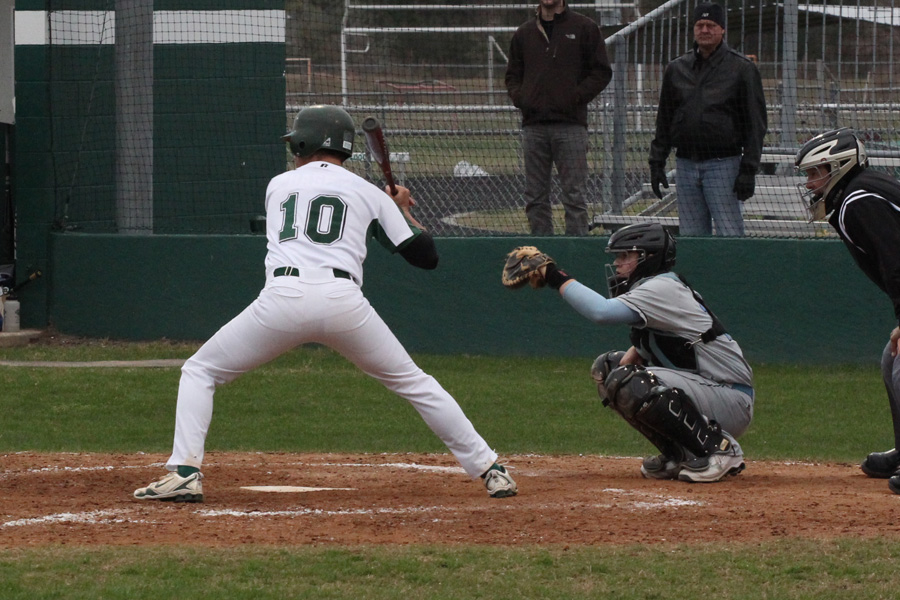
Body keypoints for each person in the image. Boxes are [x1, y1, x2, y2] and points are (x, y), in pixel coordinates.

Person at [134, 105, 517, 502]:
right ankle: (492, 469)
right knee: (414, 382)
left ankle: (185, 472)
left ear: (304, 142)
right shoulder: (368, 193)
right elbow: (424, 257)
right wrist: (400, 210)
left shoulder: (278, 184)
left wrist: (386, 208)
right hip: (343, 303)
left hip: (283, 300)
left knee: (201, 370)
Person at [527, 222, 754, 481]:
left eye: (625, 256)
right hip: (707, 391)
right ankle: (680, 453)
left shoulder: (661, 287)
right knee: (610, 368)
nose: (618, 263)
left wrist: (555, 276)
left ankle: (719, 449)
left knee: (631, 380)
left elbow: (600, 311)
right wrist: (618, 379)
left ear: (648, 258)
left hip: (730, 397)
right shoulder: (658, 288)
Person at [794, 128, 900, 495]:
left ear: (839, 167)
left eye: (814, 173)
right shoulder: (855, 194)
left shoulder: (859, 201)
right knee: (891, 359)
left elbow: (897, 263)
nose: (809, 184)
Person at [648, 2, 767, 237]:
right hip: (685, 164)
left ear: (722, 29)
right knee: (692, 237)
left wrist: (748, 170)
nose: (704, 30)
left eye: (710, 25)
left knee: (729, 233)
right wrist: (657, 161)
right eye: (699, 25)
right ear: (693, 29)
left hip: (724, 165)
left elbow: (755, 124)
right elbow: (665, 119)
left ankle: (731, 275)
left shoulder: (741, 69)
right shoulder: (677, 69)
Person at [505, 0, 612, 236]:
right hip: (534, 128)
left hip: (571, 127)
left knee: (574, 197)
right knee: (535, 198)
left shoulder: (585, 28)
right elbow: (512, 75)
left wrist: (575, 96)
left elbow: (601, 72)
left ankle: (575, 254)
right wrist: (523, 99)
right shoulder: (524, 33)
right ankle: (542, 259)